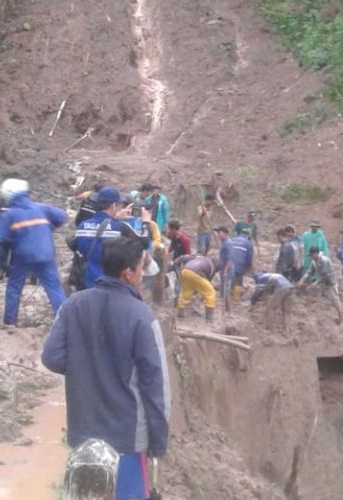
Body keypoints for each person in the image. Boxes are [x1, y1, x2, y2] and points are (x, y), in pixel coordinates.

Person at [42, 236, 170, 500]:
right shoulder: (142, 317)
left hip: (83, 435)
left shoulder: (73, 305)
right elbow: (156, 387)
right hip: (127, 439)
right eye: (140, 269)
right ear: (127, 273)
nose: (141, 275)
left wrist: (85, 364)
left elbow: (51, 357)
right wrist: (158, 442)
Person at [0, 179, 66, 327]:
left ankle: (10, 322)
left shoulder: (10, 215)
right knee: (54, 288)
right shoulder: (41, 208)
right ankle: (65, 321)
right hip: (46, 254)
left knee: (14, 287)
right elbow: (62, 216)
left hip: (23, 256)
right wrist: (48, 227)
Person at [72, 187, 149, 291]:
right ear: (113, 205)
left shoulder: (82, 226)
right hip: (110, 285)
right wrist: (146, 222)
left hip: (87, 283)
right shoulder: (120, 227)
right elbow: (144, 243)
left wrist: (115, 218)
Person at [298, 246, 343, 324]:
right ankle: (306, 310)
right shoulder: (314, 261)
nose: (311, 257)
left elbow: (325, 275)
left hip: (330, 283)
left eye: (312, 255)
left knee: (335, 300)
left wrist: (317, 282)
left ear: (316, 254)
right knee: (310, 289)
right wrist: (301, 281)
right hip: (322, 282)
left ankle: (340, 317)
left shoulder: (324, 260)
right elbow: (309, 272)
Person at [174, 254, 220, 321]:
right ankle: (209, 318)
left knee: (186, 292)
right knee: (211, 292)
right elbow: (205, 284)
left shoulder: (200, 258)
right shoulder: (212, 267)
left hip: (184, 271)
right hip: (196, 273)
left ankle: (180, 313)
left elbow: (181, 259)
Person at [229, 228, 254, 301]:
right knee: (238, 281)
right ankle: (236, 298)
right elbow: (249, 258)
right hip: (240, 264)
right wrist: (248, 266)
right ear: (248, 235)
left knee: (229, 279)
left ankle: (225, 296)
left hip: (229, 262)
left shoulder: (232, 239)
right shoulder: (248, 243)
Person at [214, 226, 234, 311]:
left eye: (220, 233)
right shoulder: (223, 242)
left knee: (226, 291)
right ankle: (225, 310)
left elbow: (229, 260)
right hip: (223, 269)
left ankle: (228, 311)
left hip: (227, 270)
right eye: (218, 233)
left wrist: (225, 271)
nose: (218, 234)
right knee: (224, 290)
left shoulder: (228, 244)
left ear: (225, 233)